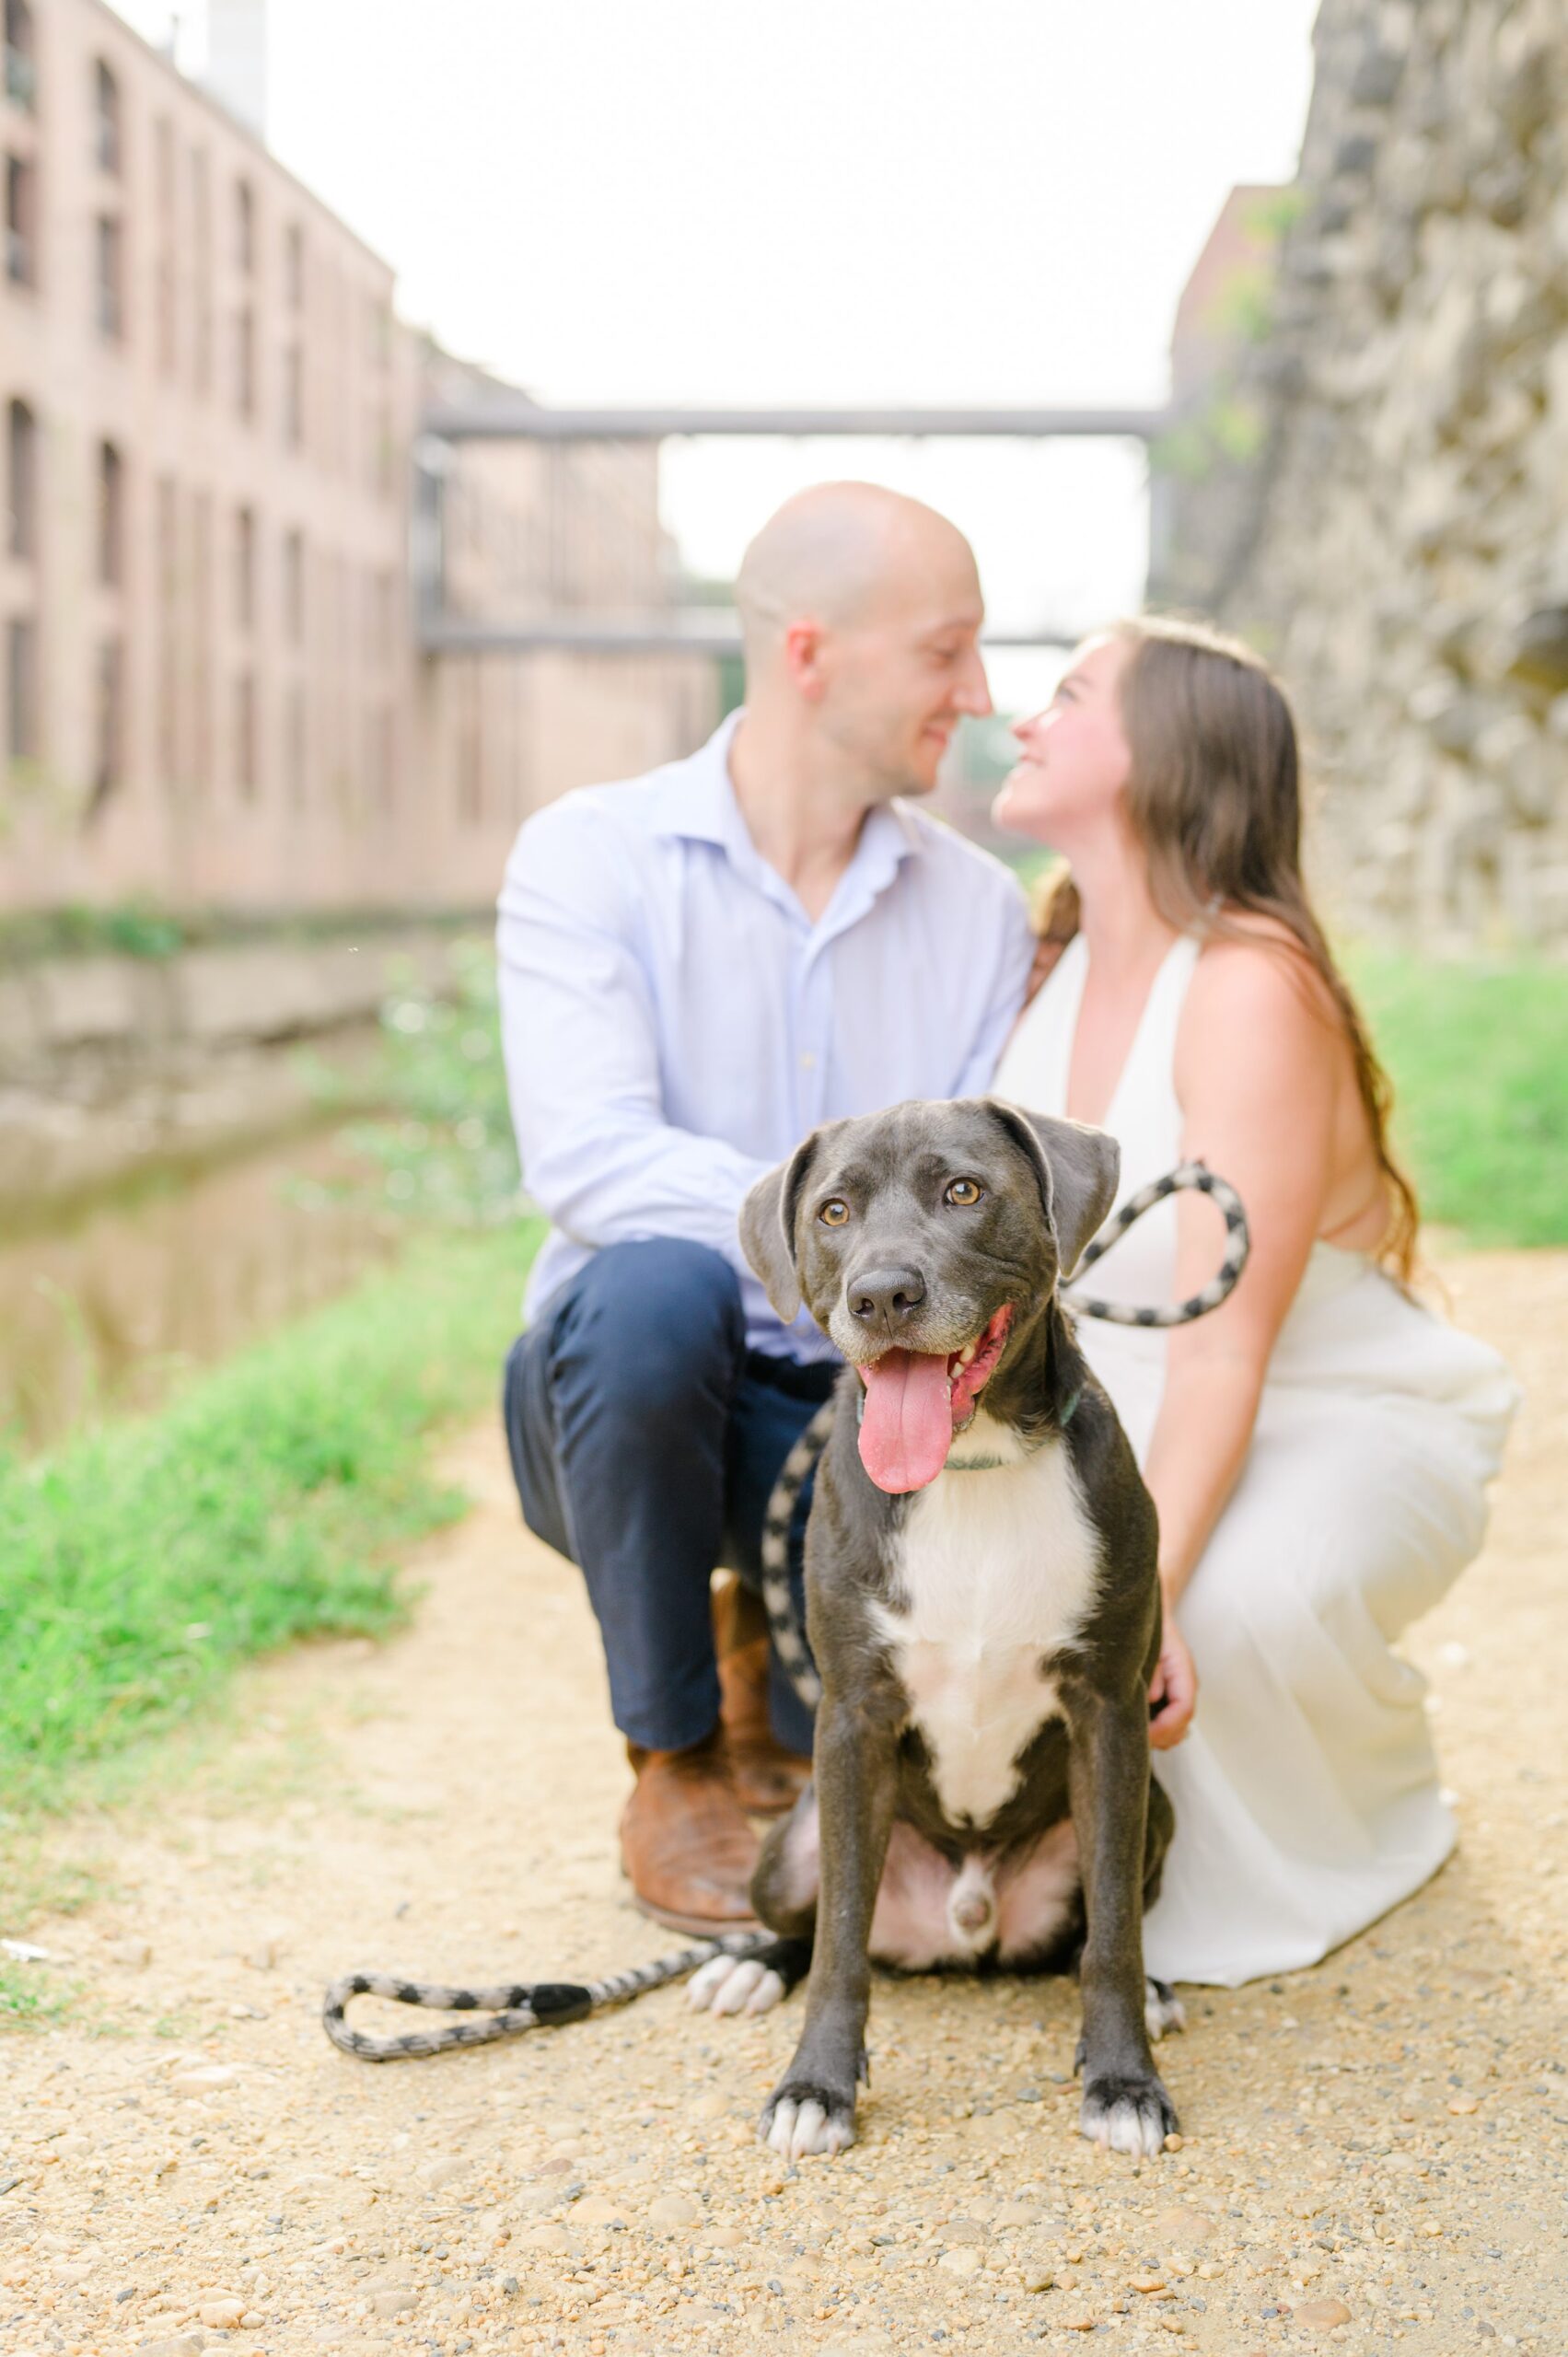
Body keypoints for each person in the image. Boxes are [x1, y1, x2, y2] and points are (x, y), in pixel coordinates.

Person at [497, 482, 1035, 1934]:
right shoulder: (589, 855)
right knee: (652, 1286)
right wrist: (853, 1229)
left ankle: (769, 1655)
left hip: (875, 1421)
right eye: (946, 651)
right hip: (625, 1407)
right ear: (811, 653)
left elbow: (991, 1221)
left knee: (824, 1760)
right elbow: (589, 1161)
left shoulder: (978, 909)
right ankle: (670, 1754)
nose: (978, 694)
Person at [992, 616, 1519, 1987]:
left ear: (1164, 754)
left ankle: (1364, 1804)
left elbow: (1222, 1348)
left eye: (1066, 695)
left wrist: (1142, 1594)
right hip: (1125, 1409)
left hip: (1323, 1406)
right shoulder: (1041, 968)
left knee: (1225, 1607)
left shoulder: (1249, 986)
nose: (1022, 716)